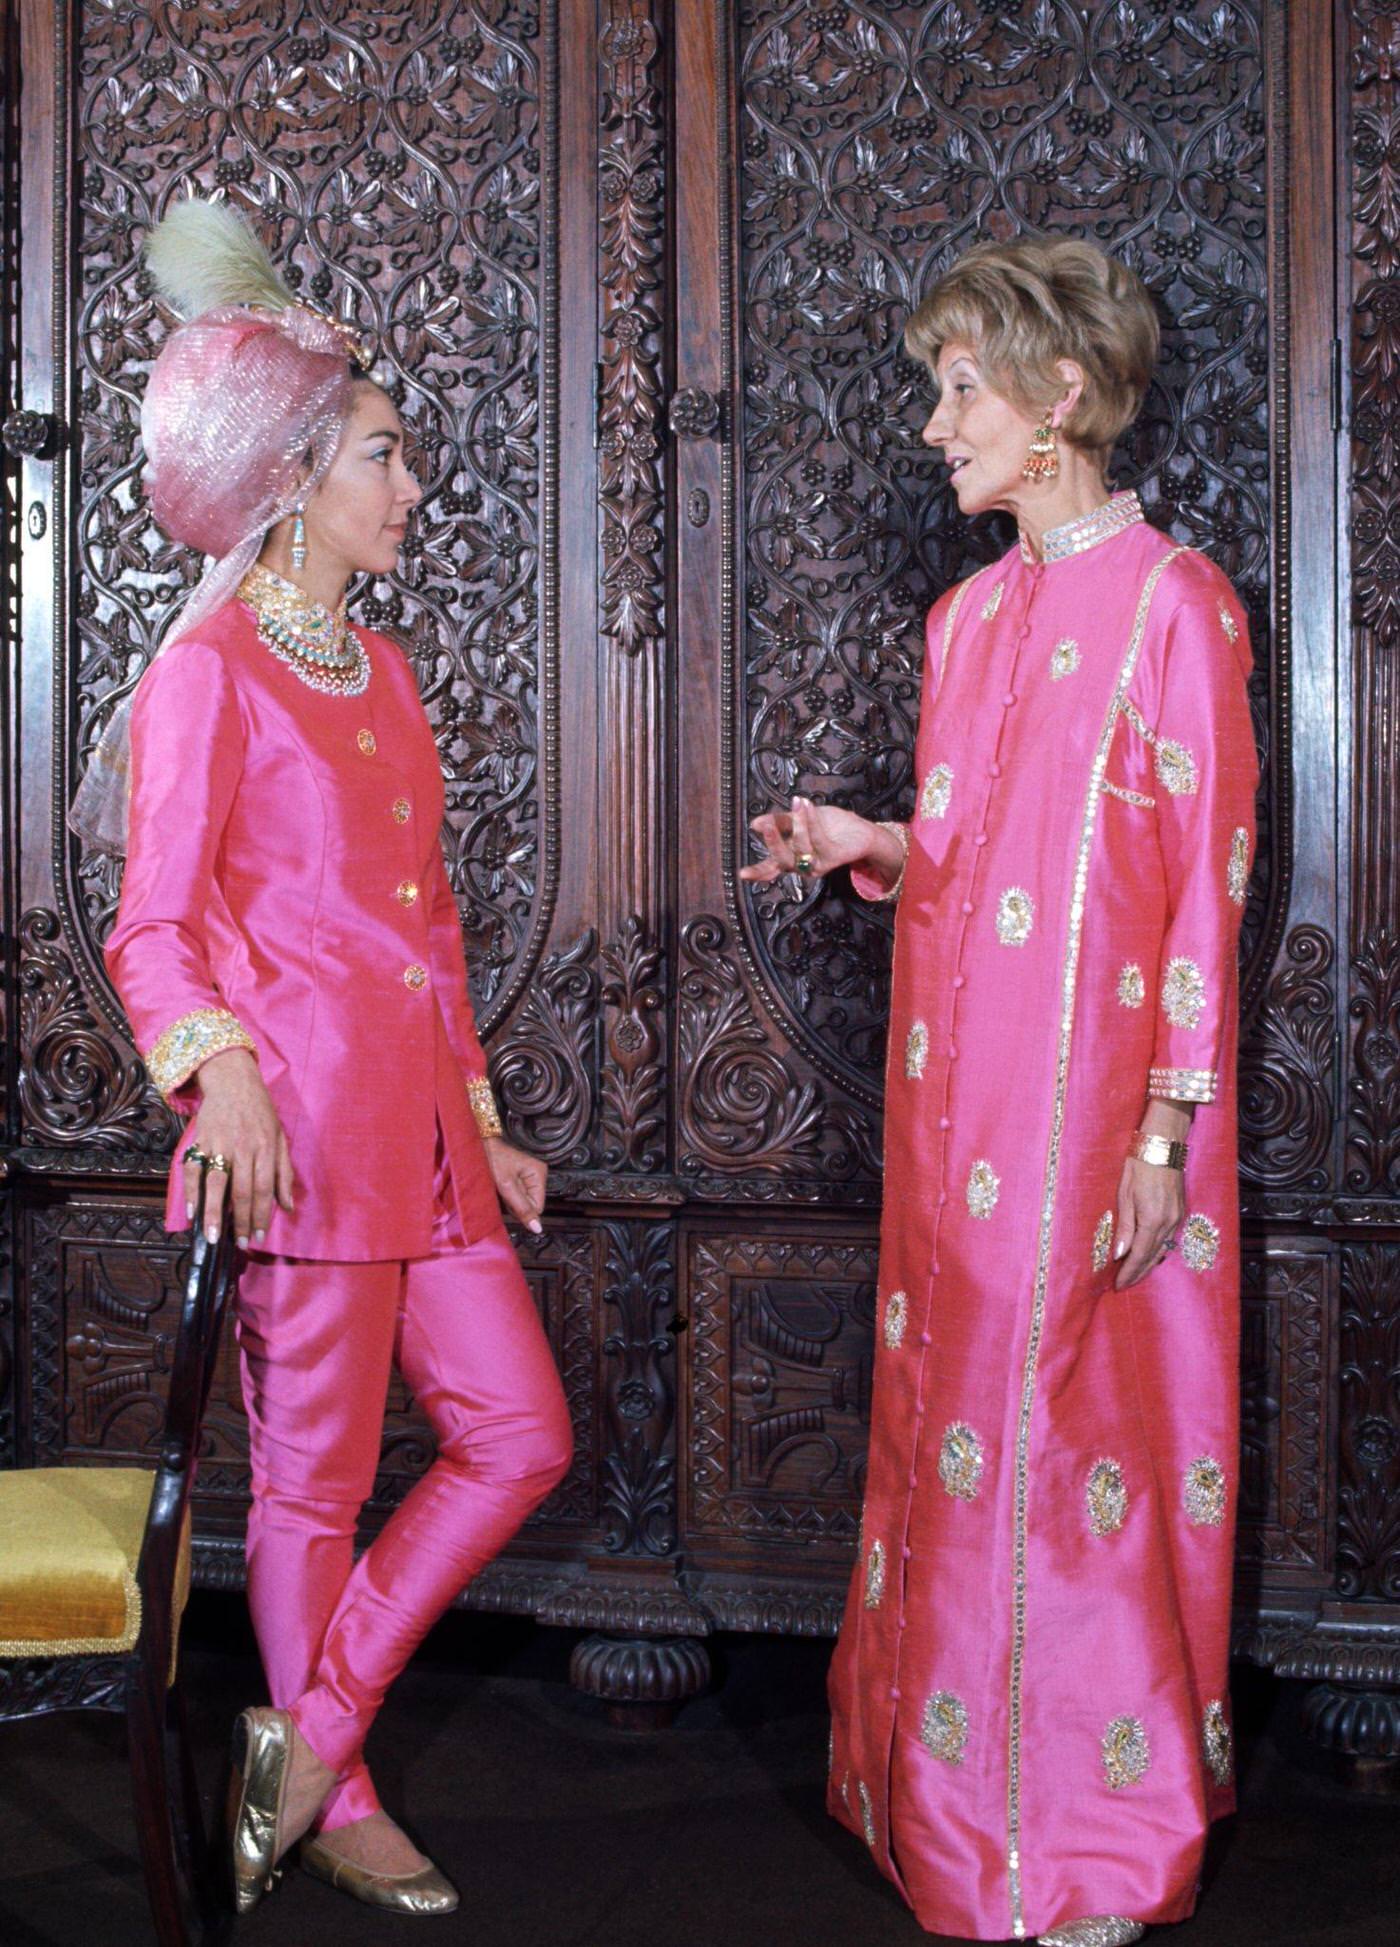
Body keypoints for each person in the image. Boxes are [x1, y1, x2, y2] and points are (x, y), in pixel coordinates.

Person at [743, 237, 1256, 1947]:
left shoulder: (1180, 607)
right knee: (959, 1449)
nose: (934, 423)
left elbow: (1206, 885)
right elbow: (976, 856)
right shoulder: (965, 623)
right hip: (950, 1118)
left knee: (1072, 1444)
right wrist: (869, 841)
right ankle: (947, 1819)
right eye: (933, 387)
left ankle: (1094, 1846)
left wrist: (1168, 1128)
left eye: (959, 388)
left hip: (1100, 1119)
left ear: (1056, 401)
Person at [83, 199, 572, 1918]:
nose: (410, 488)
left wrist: (486, 1119)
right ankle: (339, 1786)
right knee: (312, 1484)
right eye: (385, 456)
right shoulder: (205, 676)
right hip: (290, 1138)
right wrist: (217, 1075)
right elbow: (153, 926)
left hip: (428, 1137)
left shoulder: (386, 670)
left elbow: (425, 930)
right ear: (295, 475)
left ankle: (299, 1734)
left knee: (521, 1435)